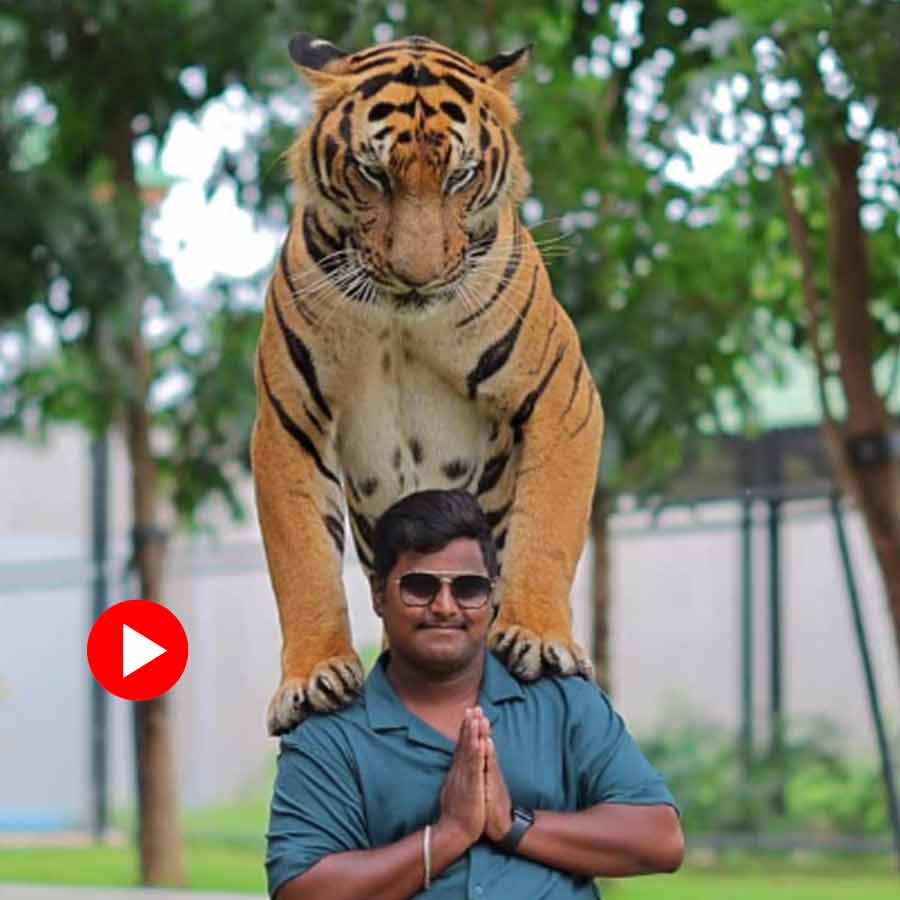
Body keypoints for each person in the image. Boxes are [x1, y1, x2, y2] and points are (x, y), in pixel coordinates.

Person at [266, 489, 683, 899]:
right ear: (378, 594)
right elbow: (301, 890)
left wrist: (512, 825)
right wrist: (448, 836)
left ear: (492, 596)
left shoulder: (564, 702)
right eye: (420, 586)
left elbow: (660, 838)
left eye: (467, 588)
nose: (445, 606)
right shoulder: (329, 734)